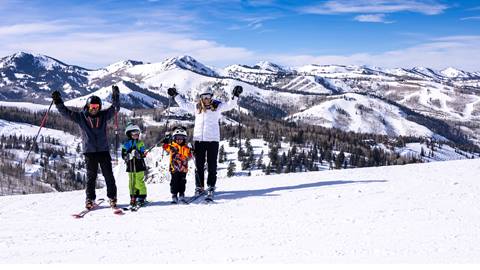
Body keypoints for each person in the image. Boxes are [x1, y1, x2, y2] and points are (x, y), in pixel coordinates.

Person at [167, 85, 243, 200]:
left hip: (213, 140)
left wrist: (235, 95)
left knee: (212, 165)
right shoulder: (197, 107)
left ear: (211, 96)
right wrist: (175, 95)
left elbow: (230, 105)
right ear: (201, 97)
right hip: (199, 140)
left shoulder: (217, 106)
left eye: (208, 96)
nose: (206, 99)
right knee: (199, 166)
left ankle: (211, 186)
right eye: (204, 97)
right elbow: (183, 104)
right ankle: (199, 186)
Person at [51, 86, 120, 209]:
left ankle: (112, 197)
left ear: (99, 107)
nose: (94, 109)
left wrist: (115, 96)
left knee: (108, 175)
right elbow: (66, 113)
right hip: (89, 152)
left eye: (97, 107)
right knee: (91, 177)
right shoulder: (81, 117)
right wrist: (58, 101)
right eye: (92, 107)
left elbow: (115, 108)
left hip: (103, 150)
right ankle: (89, 199)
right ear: (88, 106)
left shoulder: (103, 116)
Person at [161, 126, 193, 204]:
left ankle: (181, 194)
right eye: (177, 138)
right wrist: (165, 141)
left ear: (184, 138)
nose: (179, 140)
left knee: (182, 181)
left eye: (181, 138)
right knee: (174, 182)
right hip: (174, 168)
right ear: (174, 138)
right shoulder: (172, 146)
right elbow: (165, 147)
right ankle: (174, 195)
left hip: (183, 168)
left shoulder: (186, 147)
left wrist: (192, 149)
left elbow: (190, 156)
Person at [121, 124, 148, 206]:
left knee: (139, 181)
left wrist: (139, 154)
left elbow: (143, 153)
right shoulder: (126, 144)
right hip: (130, 167)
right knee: (132, 182)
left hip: (139, 166)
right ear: (129, 134)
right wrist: (128, 156)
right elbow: (123, 155)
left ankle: (142, 197)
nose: (136, 135)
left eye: (137, 133)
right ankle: (133, 197)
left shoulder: (140, 143)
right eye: (134, 133)